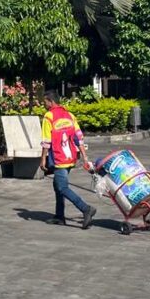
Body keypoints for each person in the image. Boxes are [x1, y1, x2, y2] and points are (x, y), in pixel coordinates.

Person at [39, 93, 96, 229]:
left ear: (51, 101)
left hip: (59, 158)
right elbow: (79, 137)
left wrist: (43, 159)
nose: (44, 105)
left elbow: (47, 141)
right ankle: (59, 216)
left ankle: (86, 208)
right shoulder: (70, 115)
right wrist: (84, 156)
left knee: (62, 187)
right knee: (57, 185)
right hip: (70, 157)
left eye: (45, 102)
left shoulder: (49, 117)